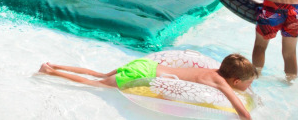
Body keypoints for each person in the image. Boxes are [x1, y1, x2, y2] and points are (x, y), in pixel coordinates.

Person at [38, 54, 255, 120]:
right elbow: (242, 112)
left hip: (147, 65)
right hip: (142, 74)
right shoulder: (219, 81)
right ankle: (51, 71)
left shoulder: (216, 71)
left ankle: (55, 63)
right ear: (235, 81)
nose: (250, 86)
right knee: (96, 85)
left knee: (100, 74)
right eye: (249, 83)